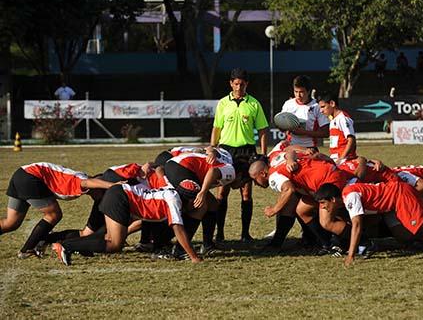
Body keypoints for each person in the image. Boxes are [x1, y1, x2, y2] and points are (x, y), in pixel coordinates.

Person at [314, 181, 423, 266]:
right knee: (419, 232)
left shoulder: (350, 197)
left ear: (333, 199)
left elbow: (358, 225)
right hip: (397, 199)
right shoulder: (348, 194)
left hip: (401, 197)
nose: (323, 207)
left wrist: (351, 255)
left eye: (324, 203)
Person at [53, 181, 203, 265]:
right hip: (121, 198)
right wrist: (194, 257)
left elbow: (145, 220)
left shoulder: (172, 193)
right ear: (190, 199)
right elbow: (178, 229)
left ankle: (66, 244)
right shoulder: (174, 201)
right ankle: (67, 246)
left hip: (119, 194)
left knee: (109, 238)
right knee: (114, 244)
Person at [1, 162, 119, 258]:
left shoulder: (81, 182)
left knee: (11, 223)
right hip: (30, 177)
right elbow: (88, 182)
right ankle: (27, 250)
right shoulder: (81, 182)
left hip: (22, 173)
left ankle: (37, 243)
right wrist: (111, 186)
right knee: (54, 215)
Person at [210, 68, 269, 243]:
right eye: (236, 83)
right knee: (222, 193)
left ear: (246, 84)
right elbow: (216, 128)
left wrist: (263, 155)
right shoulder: (222, 103)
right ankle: (219, 233)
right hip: (226, 152)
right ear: (231, 84)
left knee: (246, 194)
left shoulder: (254, 104)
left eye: (242, 84)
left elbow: (263, 130)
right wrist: (213, 148)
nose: (238, 87)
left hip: (247, 152)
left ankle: (245, 234)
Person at [280, 75, 329, 149]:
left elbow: (326, 133)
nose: (298, 95)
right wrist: (283, 127)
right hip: (290, 147)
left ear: (309, 91)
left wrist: (304, 132)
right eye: (296, 91)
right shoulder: (288, 104)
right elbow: (281, 126)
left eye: (301, 92)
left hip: (309, 148)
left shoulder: (317, 106)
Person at [316, 92, 357, 163]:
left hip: (345, 160)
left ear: (332, 103)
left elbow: (351, 140)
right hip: (335, 158)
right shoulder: (333, 119)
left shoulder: (343, 118)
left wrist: (342, 158)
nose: (321, 111)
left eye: (323, 107)